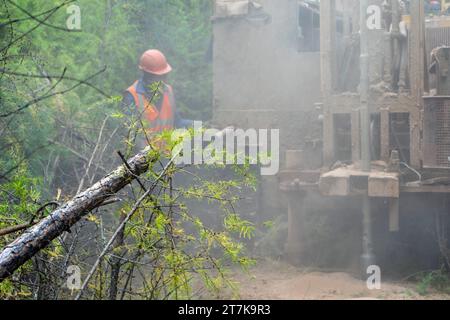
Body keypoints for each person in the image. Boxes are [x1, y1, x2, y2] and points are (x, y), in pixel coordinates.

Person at [122, 49, 193, 138]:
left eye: (165, 75)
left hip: (166, 152)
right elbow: (130, 135)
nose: (164, 80)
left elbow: (177, 122)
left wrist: (199, 126)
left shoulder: (168, 92)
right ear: (147, 75)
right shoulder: (131, 96)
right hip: (144, 152)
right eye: (159, 76)